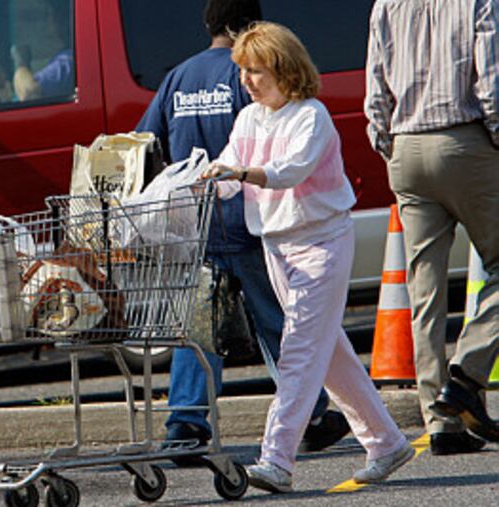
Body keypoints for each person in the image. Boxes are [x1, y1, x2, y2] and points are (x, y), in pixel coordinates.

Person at [135, 0, 350, 464]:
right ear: (250, 25)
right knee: (281, 326)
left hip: (199, 226)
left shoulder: (177, 78)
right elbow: (271, 146)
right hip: (254, 224)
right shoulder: (248, 75)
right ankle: (311, 414)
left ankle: (186, 422)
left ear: (208, 24)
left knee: (200, 327)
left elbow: (146, 144)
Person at [204, 21, 413, 492]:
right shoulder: (249, 119)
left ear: (285, 70)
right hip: (277, 245)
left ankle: (276, 459)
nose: (247, 81)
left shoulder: (311, 116)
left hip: (321, 243)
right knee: (329, 353)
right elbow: (230, 173)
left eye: (257, 71)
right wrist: (207, 177)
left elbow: (289, 170)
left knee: (299, 351)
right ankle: (386, 442)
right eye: (243, 71)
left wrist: (239, 171)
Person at [365, 0, 499, 449]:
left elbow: (375, 90)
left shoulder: (387, 4)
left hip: (405, 148)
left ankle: (439, 423)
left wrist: (388, 144)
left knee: (425, 289)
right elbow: (492, 83)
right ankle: (465, 377)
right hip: (464, 139)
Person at [11, 0, 74, 101]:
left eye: (49, 16)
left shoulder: (69, 61)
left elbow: (29, 93)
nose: (48, 25)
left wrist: (21, 62)